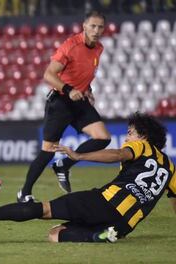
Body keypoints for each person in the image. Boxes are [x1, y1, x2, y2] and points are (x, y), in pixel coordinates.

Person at [0, 112, 176, 243]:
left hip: (105, 202)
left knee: (44, 210)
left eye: (130, 133)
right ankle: (99, 235)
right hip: (126, 224)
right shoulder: (171, 168)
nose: (127, 138)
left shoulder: (141, 146)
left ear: (144, 136)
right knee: (55, 234)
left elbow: (118, 153)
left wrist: (79, 155)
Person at [17, 10, 111, 201]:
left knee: (103, 138)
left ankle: (64, 164)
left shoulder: (98, 48)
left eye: (100, 27)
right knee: (48, 151)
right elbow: (48, 74)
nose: (96, 30)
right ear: (84, 26)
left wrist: (88, 90)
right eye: (92, 26)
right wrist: (69, 90)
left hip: (79, 101)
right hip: (60, 102)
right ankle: (24, 193)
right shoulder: (70, 45)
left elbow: (82, 72)